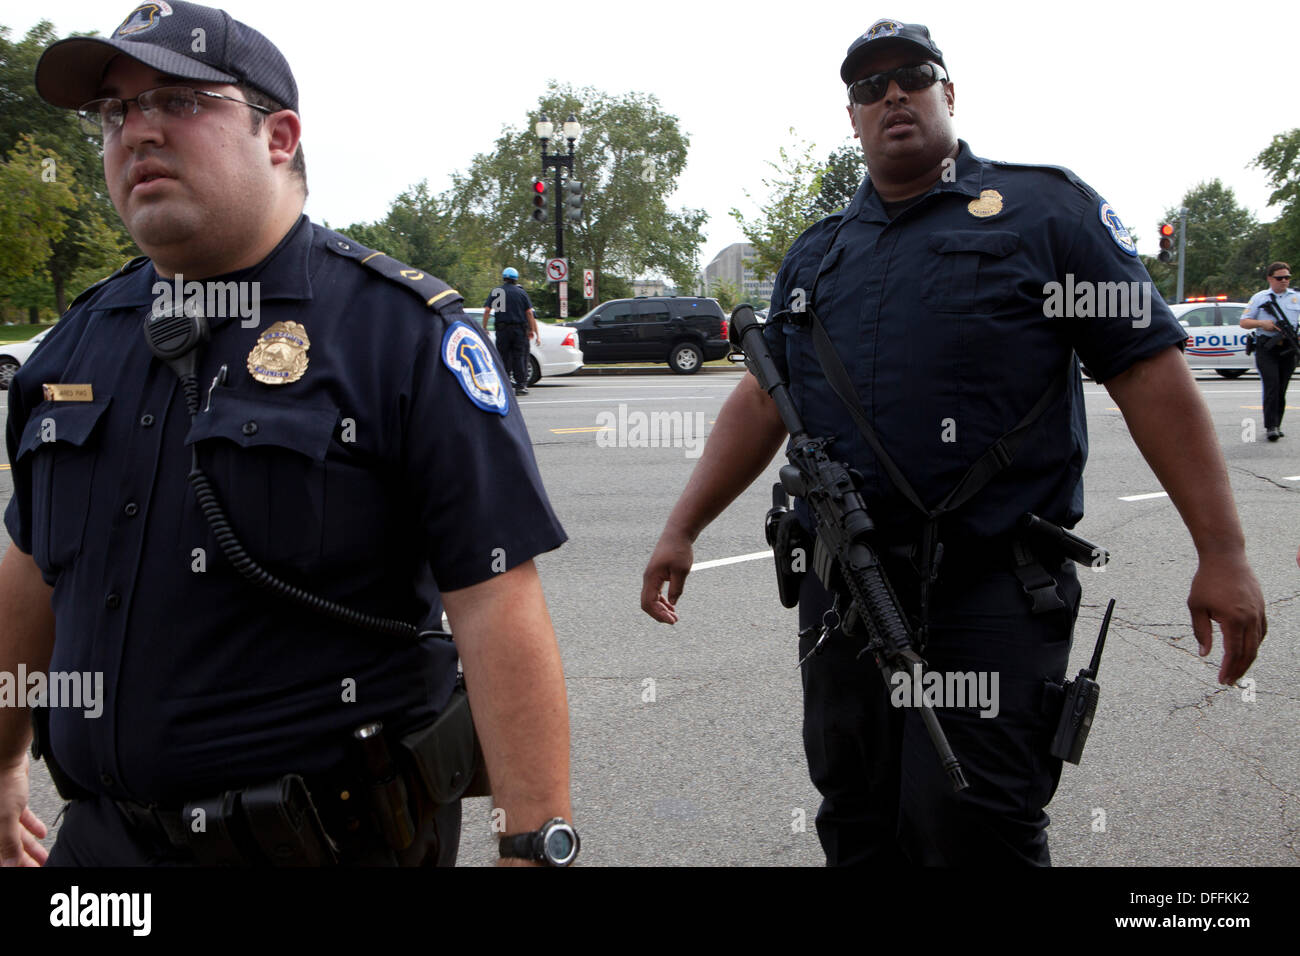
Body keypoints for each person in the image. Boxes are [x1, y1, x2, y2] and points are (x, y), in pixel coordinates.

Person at [641, 19, 1266, 866]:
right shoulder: (817, 256)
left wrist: (1221, 550)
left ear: (949, 92)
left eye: (914, 74)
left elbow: (1149, 376)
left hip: (992, 595)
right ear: (852, 116)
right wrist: (683, 527)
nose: (892, 93)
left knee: (975, 828)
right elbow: (761, 399)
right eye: (869, 86)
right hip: (846, 596)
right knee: (857, 821)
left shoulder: (1046, 214)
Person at [0, 1, 575, 867]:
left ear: (279, 137)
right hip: (106, 853)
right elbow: (30, 571)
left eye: (180, 101)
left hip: (326, 844)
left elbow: (496, 602)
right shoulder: (76, 344)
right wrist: (5, 760)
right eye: (116, 112)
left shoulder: (399, 334)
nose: (137, 131)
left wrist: (534, 845)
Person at [1240, 262, 1297, 441]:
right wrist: (1262, 324)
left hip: (1289, 347)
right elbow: (1244, 322)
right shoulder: (1260, 298)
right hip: (1267, 348)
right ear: (1270, 279)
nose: (1284, 281)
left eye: (1287, 277)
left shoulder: (1296, 297)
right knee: (1272, 385)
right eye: (1280, 278)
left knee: (1281, 388)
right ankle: (1270, 426)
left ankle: (1277, 423)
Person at [483, 267, 540, 396]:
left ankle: (504, 383)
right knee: (519, 357)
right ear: (515, 279)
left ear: (504, 278)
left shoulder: (497, 291)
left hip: (502, 329)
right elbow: (529, 313)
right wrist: (532, 330)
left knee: (504, 356)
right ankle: (520, 386)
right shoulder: (521, 293)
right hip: (519, 330)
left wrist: (484, 327)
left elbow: (487, 310)